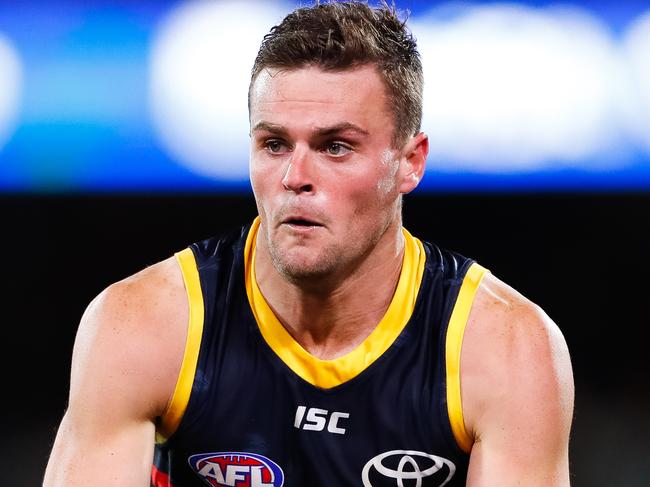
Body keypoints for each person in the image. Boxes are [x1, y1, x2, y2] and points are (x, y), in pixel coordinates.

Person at [43, 2, 574, 486]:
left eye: (335, 146)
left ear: (410, 162)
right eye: (273, 144)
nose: (296, 176)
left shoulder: (506, 350)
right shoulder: (144, 324)